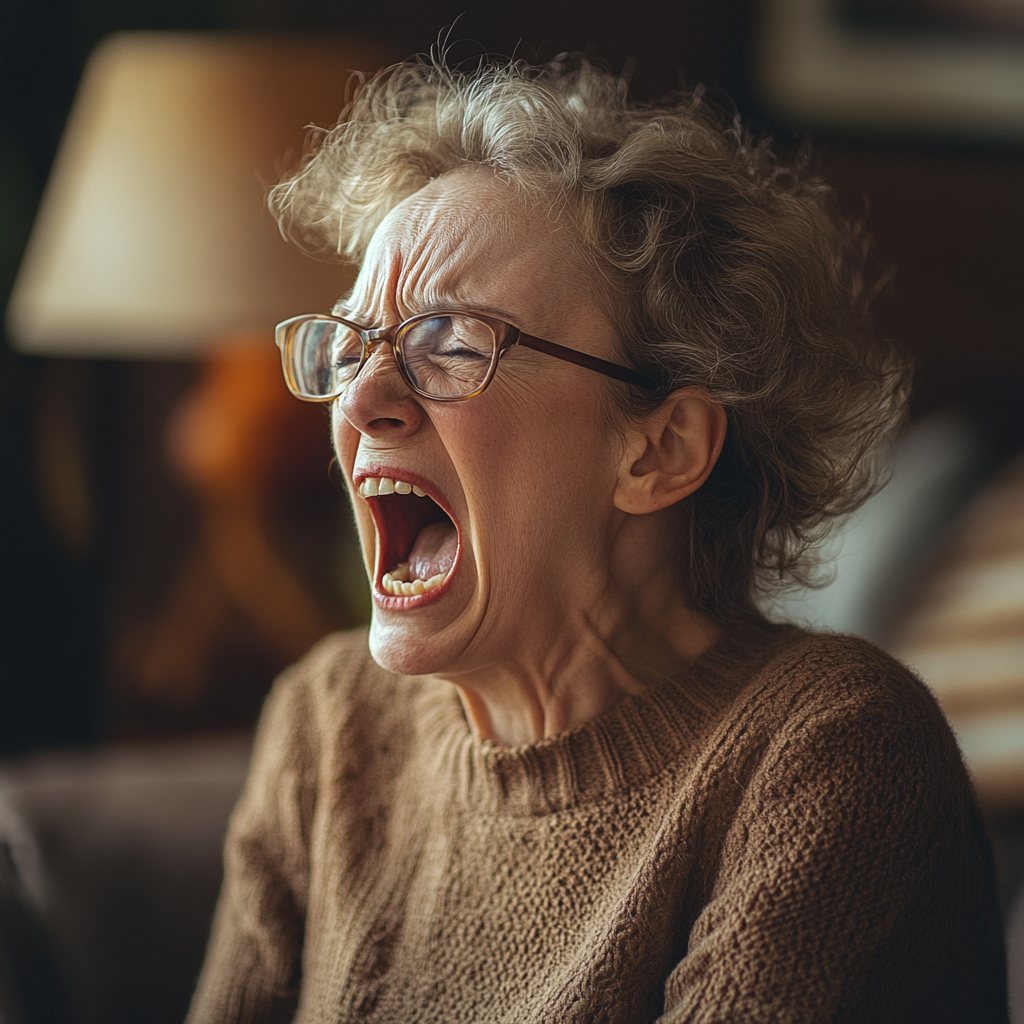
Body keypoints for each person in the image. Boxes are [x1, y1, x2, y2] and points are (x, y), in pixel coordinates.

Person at [186, 56, 1007, 1023]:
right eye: (354, 343)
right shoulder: (328, 728)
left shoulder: (829, 752)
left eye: (449, 342)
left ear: (661, 449)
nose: (361, 399)